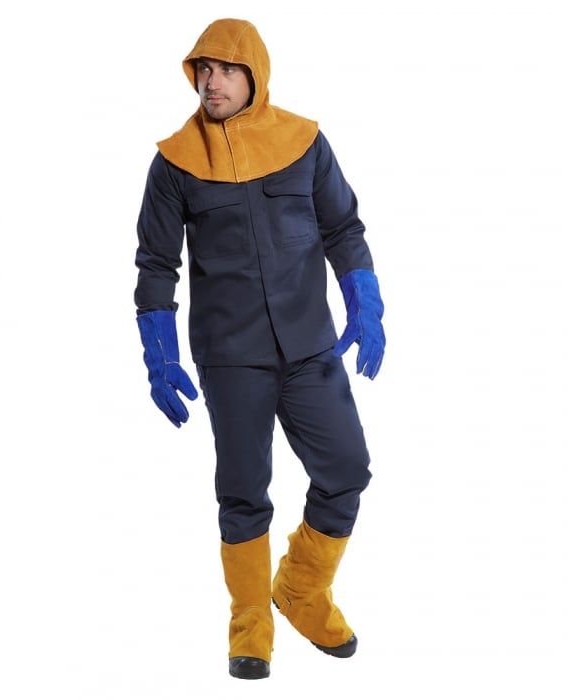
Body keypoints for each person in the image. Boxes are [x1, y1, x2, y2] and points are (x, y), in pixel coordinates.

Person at [133, 18, 386, 680]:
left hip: (309, 347)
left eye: (225, 70)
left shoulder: (304, 143)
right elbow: (156, 264)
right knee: (244, 491)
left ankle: (301, 589)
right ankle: (250, 620)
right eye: (203, 70)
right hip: (231, 353)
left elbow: (343, 226)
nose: (211, 82)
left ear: (255, 76)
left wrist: (365, 298)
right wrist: (159, 352)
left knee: (348, 468)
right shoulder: (175, 162)